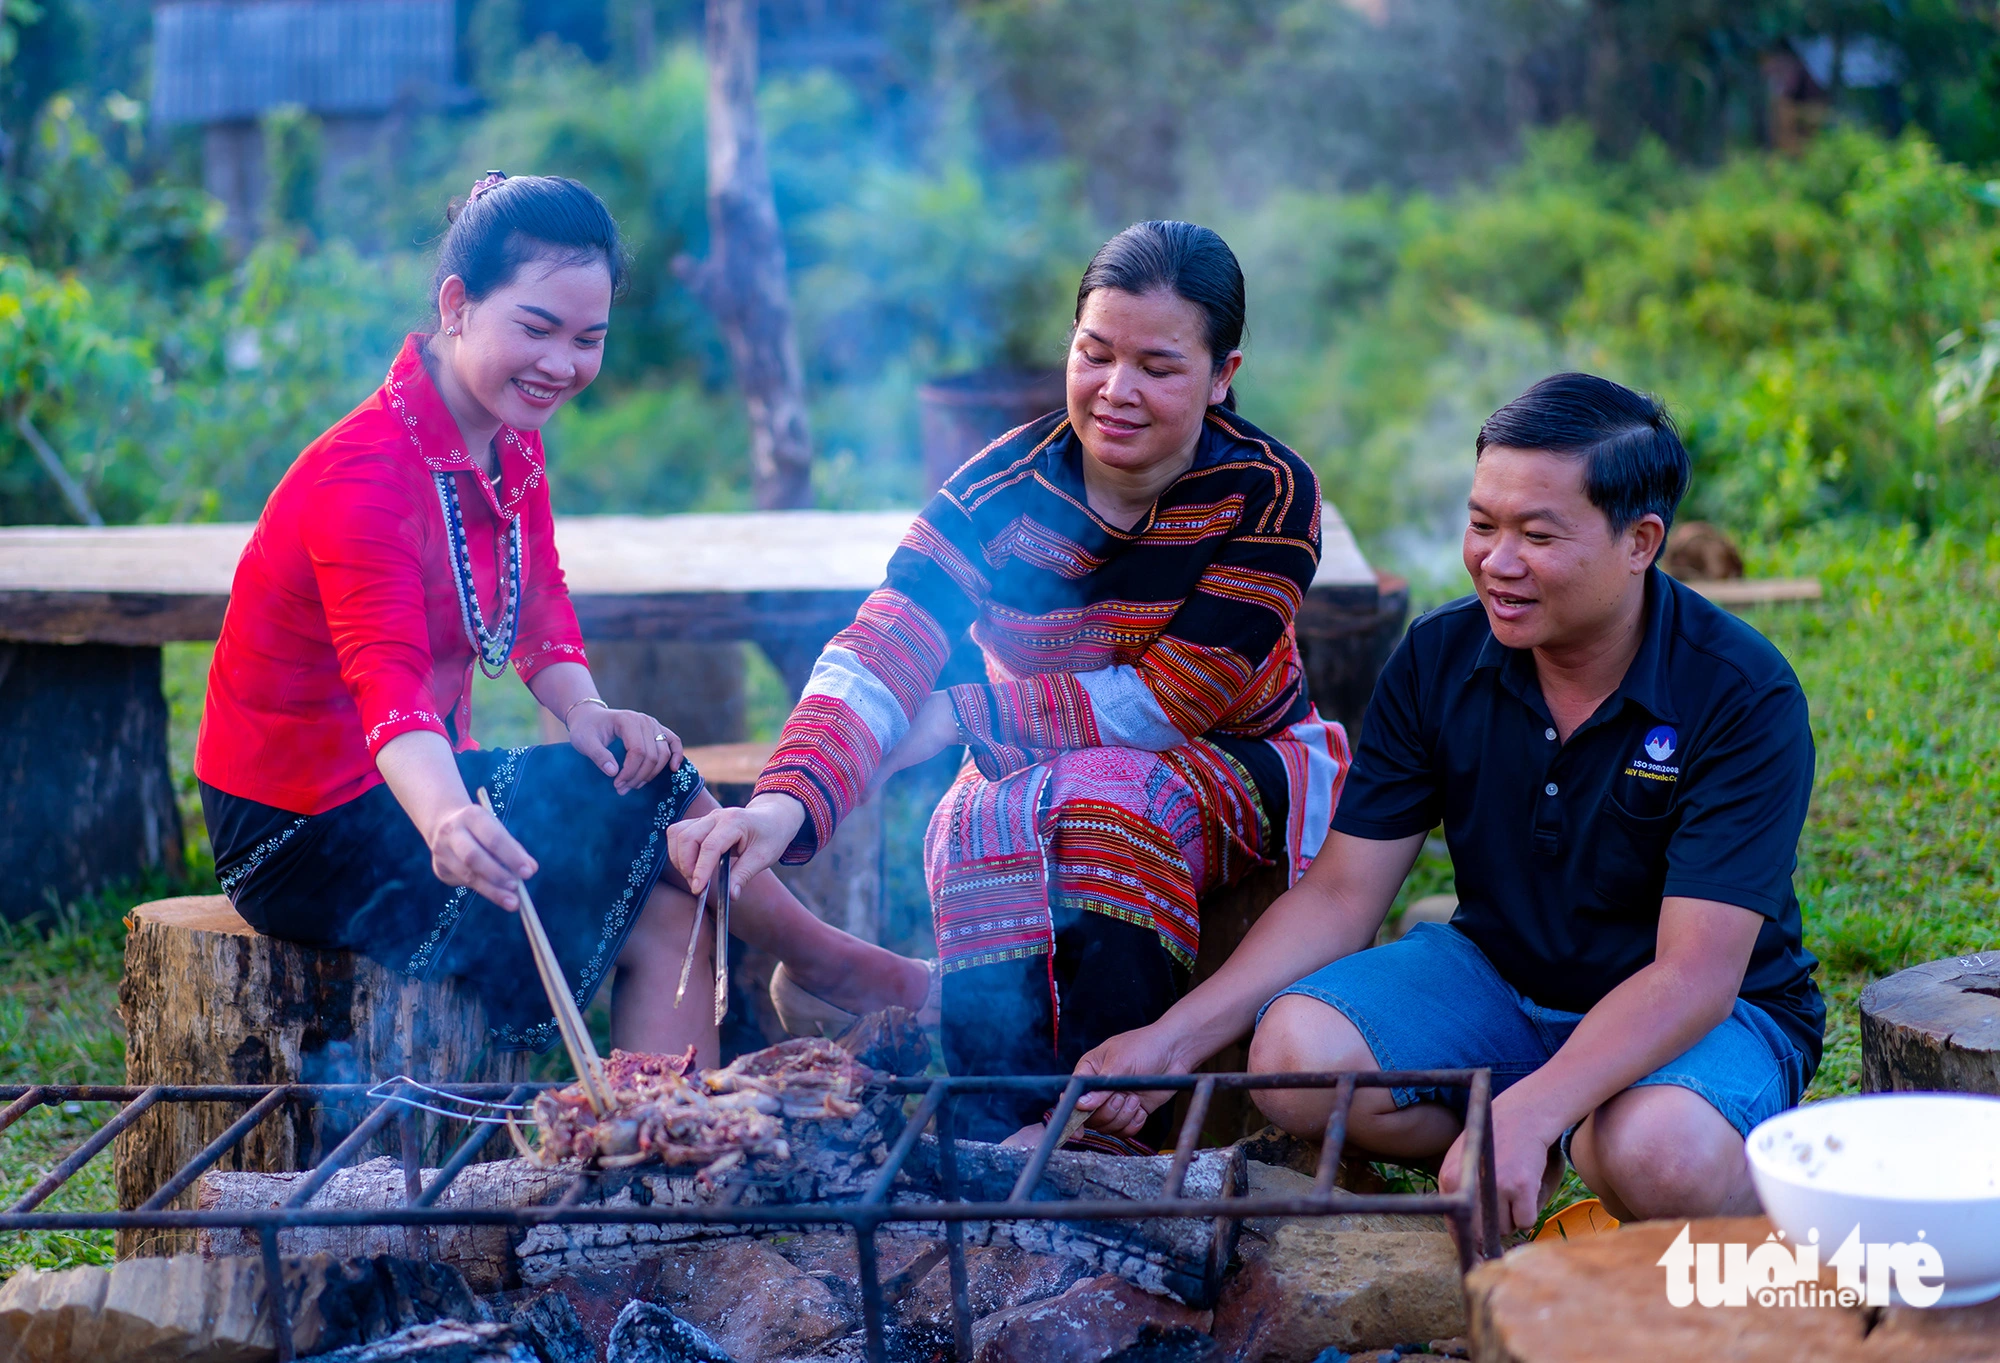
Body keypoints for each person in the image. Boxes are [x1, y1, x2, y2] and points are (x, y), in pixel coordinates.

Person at [195, 172, 928, 1063]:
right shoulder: (365, 472)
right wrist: (444, 820)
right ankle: (827, 963)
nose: (562, 363)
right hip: (301, 824)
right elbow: (386, 680)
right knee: (643, 793)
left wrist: (585, 712)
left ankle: (667, 1158)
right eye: (537, 328)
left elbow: (539, 601)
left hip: (420, 779)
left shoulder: (510, 438)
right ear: (457, 304)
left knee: (656, 862)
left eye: (589, 339)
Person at [1070, 373, 1823, 1230]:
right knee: (1292, 1057)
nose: (1497, 562)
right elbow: (1344, 893)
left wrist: (1535, 1109)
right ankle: (1531, 1137)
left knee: (1661, 1155)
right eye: (1482, 524)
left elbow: (1694, 975)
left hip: (1698, 1015)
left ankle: (1713, 1182)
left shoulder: (1740, 692)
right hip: (1503, 983)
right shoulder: (1439, 657)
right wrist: (1170, 1038)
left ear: (1641, 540)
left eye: (1537, 534)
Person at [670, 221, 1348, 1146]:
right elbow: (879, 646)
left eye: (1159, 365)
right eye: (1095, 353)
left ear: (1224, 373)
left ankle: (1109, 1122)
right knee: (980, 816)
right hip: (1033, 761)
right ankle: (1003, 1118)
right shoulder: (998, 493)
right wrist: (782, 807)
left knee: (1102, 796)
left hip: (1232, 758)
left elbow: (1167, 704)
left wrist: (959, 712)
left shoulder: (1266, 495)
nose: (1117, 391)